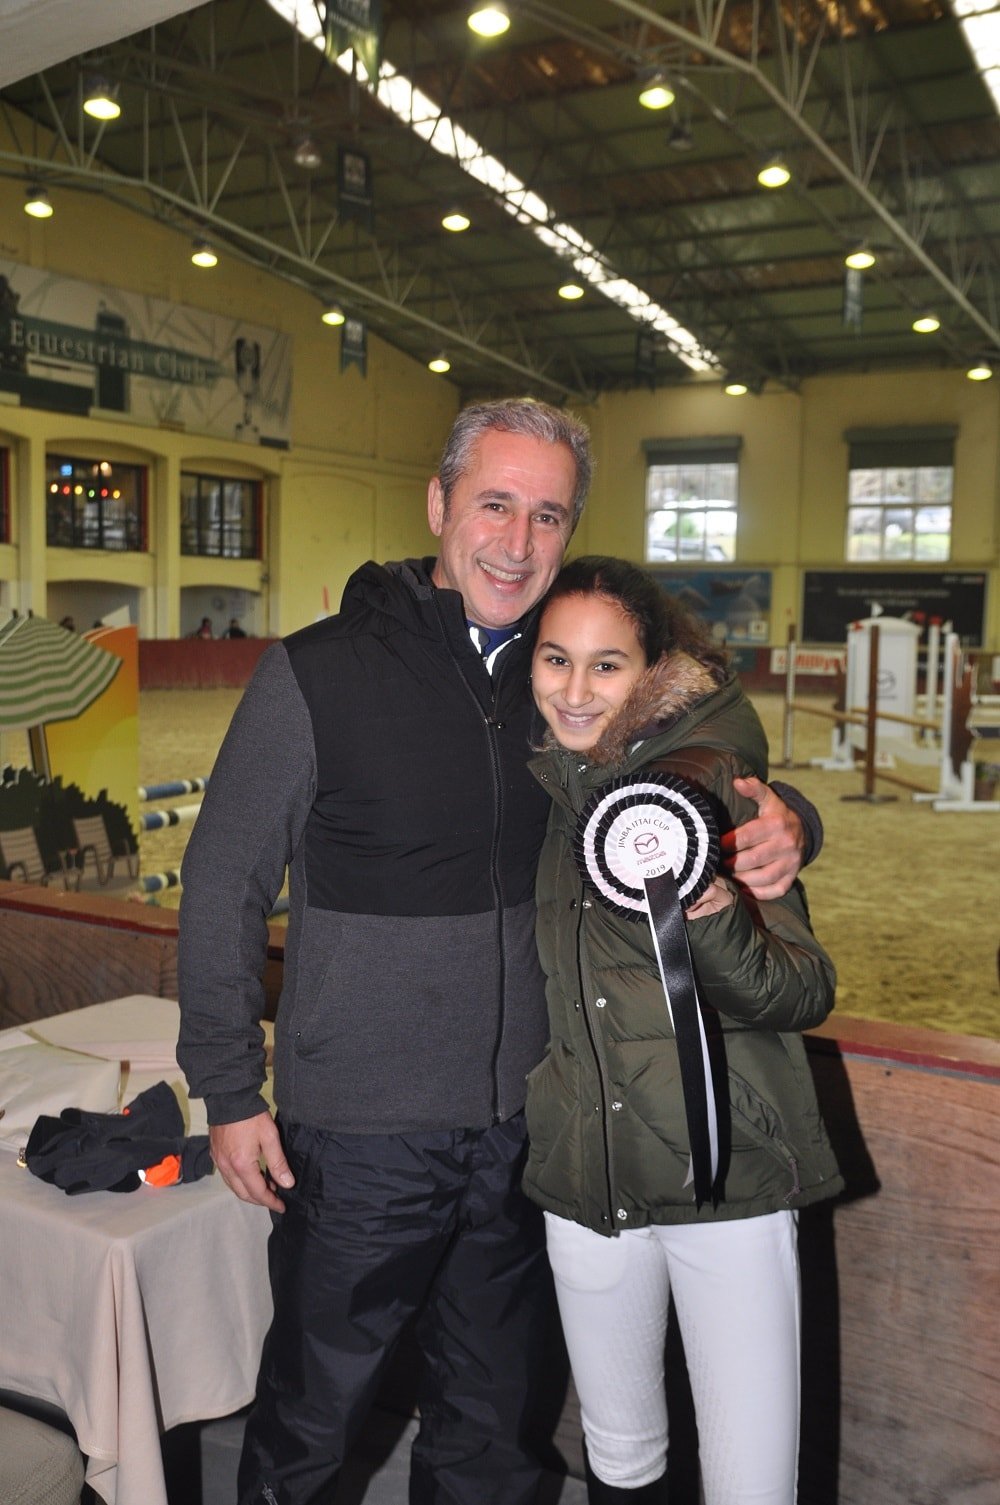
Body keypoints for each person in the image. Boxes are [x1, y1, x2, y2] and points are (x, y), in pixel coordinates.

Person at [176, 399, 819, 1505]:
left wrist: (794, 816)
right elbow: (222, 879)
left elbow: (707, 754)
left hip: (526, 1131)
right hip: (362, 1135)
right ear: (439, 504)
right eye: (495, 504)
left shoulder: (568, 681)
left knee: (489, 1435)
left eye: (548, 515)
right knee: (311, 1423)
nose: (517, 542)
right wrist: (230, 1090)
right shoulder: (314, 672)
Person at [523, 556, 843, 1503]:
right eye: (555, 658)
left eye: (606, 664)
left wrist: (713, 913)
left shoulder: (713, 788)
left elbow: (803, 991)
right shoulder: (546, 785)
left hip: (727, 1181)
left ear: (653, 670)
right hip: (590, 1185)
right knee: (620, 1461)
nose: (575, 690)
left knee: (752, 1481)